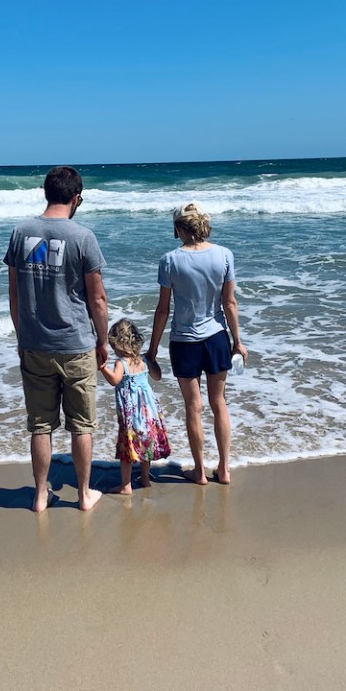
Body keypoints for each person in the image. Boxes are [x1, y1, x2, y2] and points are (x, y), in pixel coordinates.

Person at [4, 166, 108, 512]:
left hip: (35, 343)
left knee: (40, 425)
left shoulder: (21, 233)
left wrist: (23, 336)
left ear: (45, 192)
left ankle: (39, 496)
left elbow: (14, 296)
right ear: (76, 198)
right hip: (75, 344)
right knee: (81, 425)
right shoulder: (82, 237)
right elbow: (97, 300)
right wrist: (103, 341)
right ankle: (82, 494)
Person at [147, 202, 248, 486]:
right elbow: (229, 303)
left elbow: (163, 310)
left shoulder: (170, 260)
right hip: (216, 337)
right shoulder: (223, 255)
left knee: (194, 406)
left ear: (179, 228)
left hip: (184, 341)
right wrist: (238, 342)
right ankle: (225, 469)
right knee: (219, 403)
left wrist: (152, 350)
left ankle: (200, 471)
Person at [99, 319, 171, 494]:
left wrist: (102, 368)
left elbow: (114, 380)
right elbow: (158, 376)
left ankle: (126, 485)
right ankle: (145, 479)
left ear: (118, 344)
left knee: (127, 448)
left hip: (130, 413)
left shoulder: (120, 363)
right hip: (148, 411)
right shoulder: (144, 359)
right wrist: (153, 361)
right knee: (145, 444)